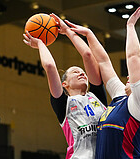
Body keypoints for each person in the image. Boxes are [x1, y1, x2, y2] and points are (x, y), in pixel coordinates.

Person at [67, 6, 140, 159]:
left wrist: (130, 26)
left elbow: (133, 57)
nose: (129, 77)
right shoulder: (120, 96)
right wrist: (88, 34)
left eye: (136, 74)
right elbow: (103, 62)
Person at [23, 13, 107, 159]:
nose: (82, 74)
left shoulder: (97, 96)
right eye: (75, 72)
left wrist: (68, 31)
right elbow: (49, 66)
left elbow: (87, 54)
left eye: (83, 73)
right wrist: (41, 44)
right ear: (65, 84)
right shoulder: (63, 103)